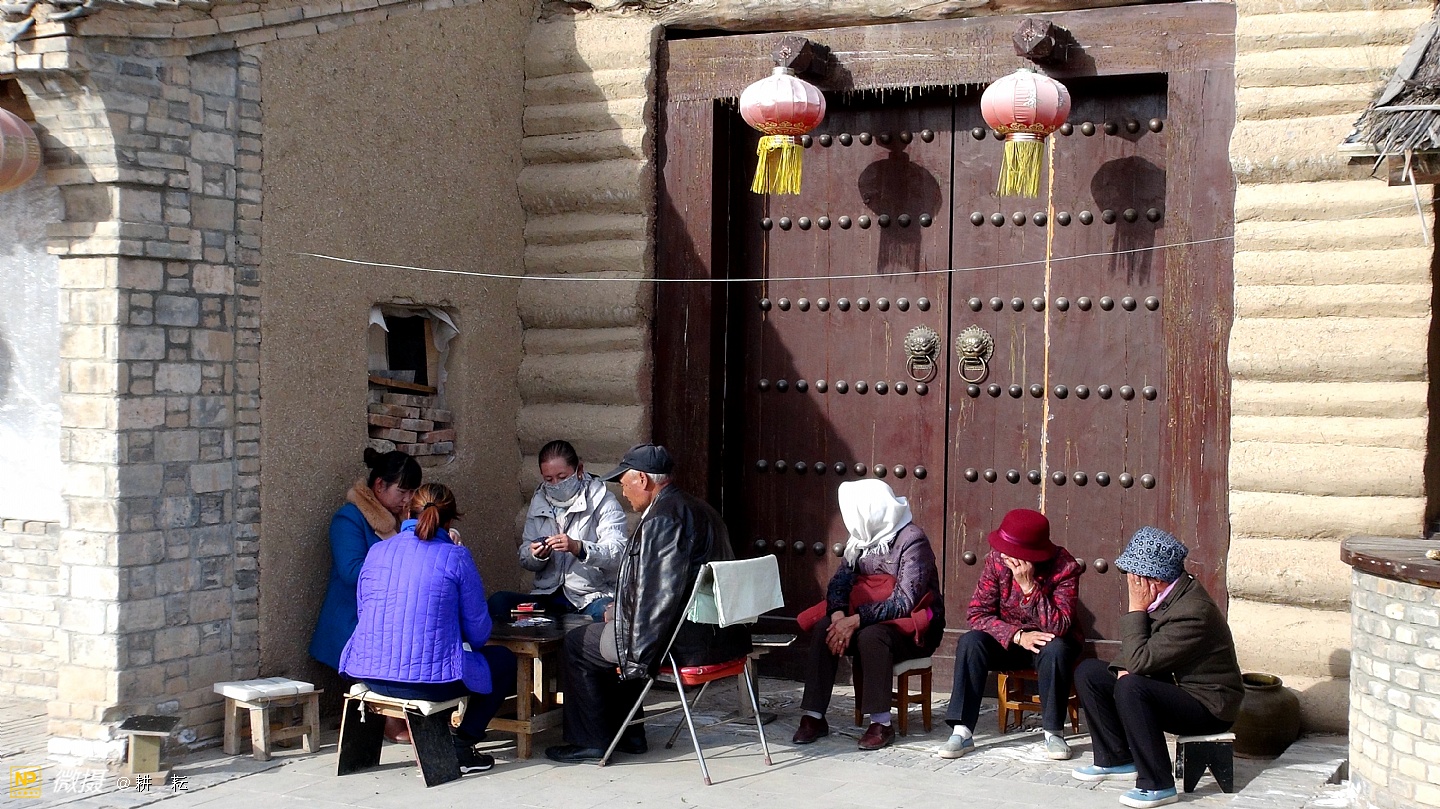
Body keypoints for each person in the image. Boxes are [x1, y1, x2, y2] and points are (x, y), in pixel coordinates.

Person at [544, 444, 751, 763]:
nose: (623, 491)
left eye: (624, 482)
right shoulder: (701, 508)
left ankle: (590, 741)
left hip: (680, 642)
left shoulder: (661, 520)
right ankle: (630, 735)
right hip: (718, 638)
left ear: (642, 479)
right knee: (609, 634)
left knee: (578, 643)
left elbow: (659, 598)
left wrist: (623, 622)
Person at [340, 483, 518, 775]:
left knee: (451, 661)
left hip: (369, 673)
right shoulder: (456, 557)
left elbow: (365, 614)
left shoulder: (377, 551)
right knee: (503, 662)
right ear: (450, 521)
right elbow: (478, 633)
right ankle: (463, 744)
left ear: (408, 512)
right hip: (422, 682)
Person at [1070, 527, 1242, 809]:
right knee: (1090, 673)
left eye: (1133, 576)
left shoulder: (1192, 611)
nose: (1130, 581)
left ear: (1153, 579)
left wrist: (1136, 609)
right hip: (1175, 685)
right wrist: (1123, 667)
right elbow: (1135, 653)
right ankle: (1116, 758)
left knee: (1132, 686)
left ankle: (1158, 784)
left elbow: (1140, 660)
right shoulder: (1166, 598)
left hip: (1208, 706)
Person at [791, 479, 946, 752]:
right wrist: (839, 618)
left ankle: (881, 723)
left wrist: (856, 619)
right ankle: (814, 716)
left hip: (912, 628)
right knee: (825, 628)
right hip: (866, 621)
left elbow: (904, 601)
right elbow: (839, 583)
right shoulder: (861, 538)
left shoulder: (912, 541)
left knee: (873, 636)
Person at [938, 508, 1083, 761]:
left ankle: (1053, 733)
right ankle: (962, 731)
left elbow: (1059, 625)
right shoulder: (997, 561)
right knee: (971, 642)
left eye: (1011, 551)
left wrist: (1029, 588)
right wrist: (1017, 636)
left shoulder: (1064, 567)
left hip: (1047, 642)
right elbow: (977, 614)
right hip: (1008, 641)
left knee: (1057, 649)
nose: (1005, 555)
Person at [309, 449, 421, 743]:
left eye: (412, 492)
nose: (407, 499)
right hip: (352, 617)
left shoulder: (403, 519)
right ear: (379, 485)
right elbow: (351, 571)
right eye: (402, 491)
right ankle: (390, 719)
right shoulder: (348, 518)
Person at [487, 440, 628, 622]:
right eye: (548, 479)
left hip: (590, 596)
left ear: (579, 470)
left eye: (562, 477)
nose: (556, 484)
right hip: (547, 596)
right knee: (498, 602)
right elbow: (525, 557)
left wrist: (579, 548)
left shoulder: (602, 500)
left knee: (611, 614)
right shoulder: (539, 501)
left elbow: (618, 552)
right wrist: (536, 555)